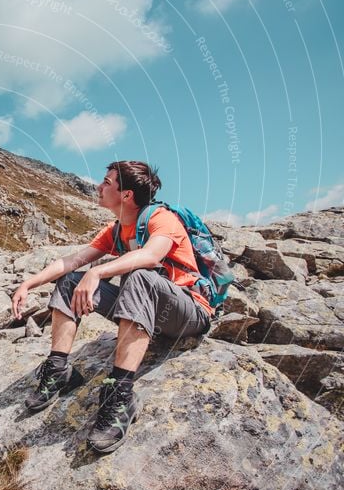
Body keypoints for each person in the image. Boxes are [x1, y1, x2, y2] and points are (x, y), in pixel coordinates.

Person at [11, 161, 212, 453]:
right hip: (147, 311)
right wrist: (29, 283)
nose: (99, 187)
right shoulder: (117, 230)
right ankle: (58, 370)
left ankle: (119, 395)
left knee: (141, 274)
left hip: (188, 313)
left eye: (106, 182)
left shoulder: (162, 219)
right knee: (70, 280)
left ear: (126, 194)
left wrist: (98, 272)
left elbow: (151, 255)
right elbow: (72, 261)